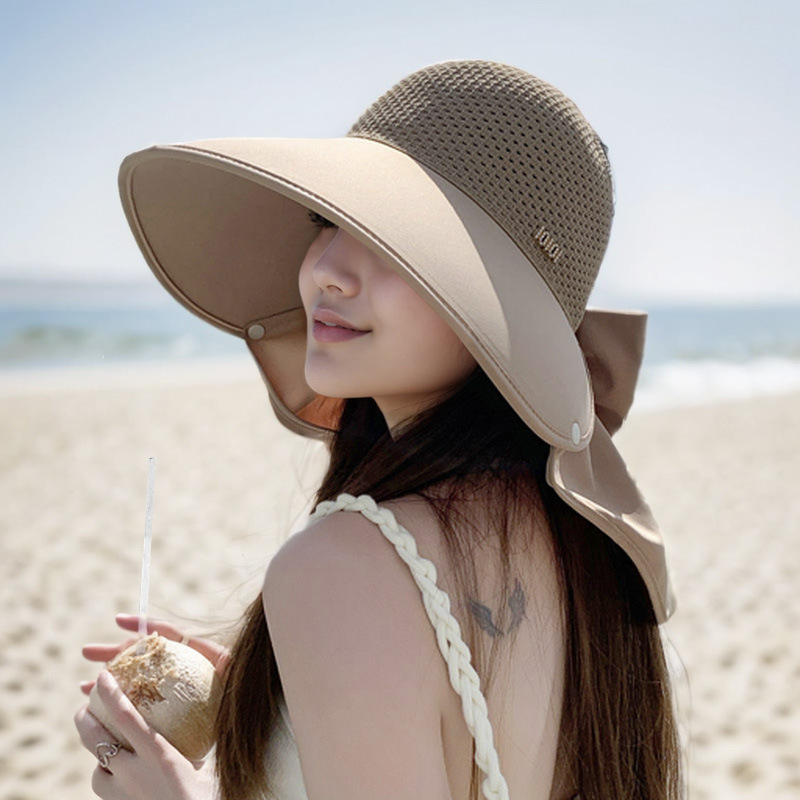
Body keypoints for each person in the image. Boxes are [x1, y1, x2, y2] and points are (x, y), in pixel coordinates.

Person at [74, 59, 683, 800]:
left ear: (496, 310)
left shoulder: (346, 568)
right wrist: (276, 710)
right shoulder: (582, 542)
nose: (327, 269)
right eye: (326, 221)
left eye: (394, 242)